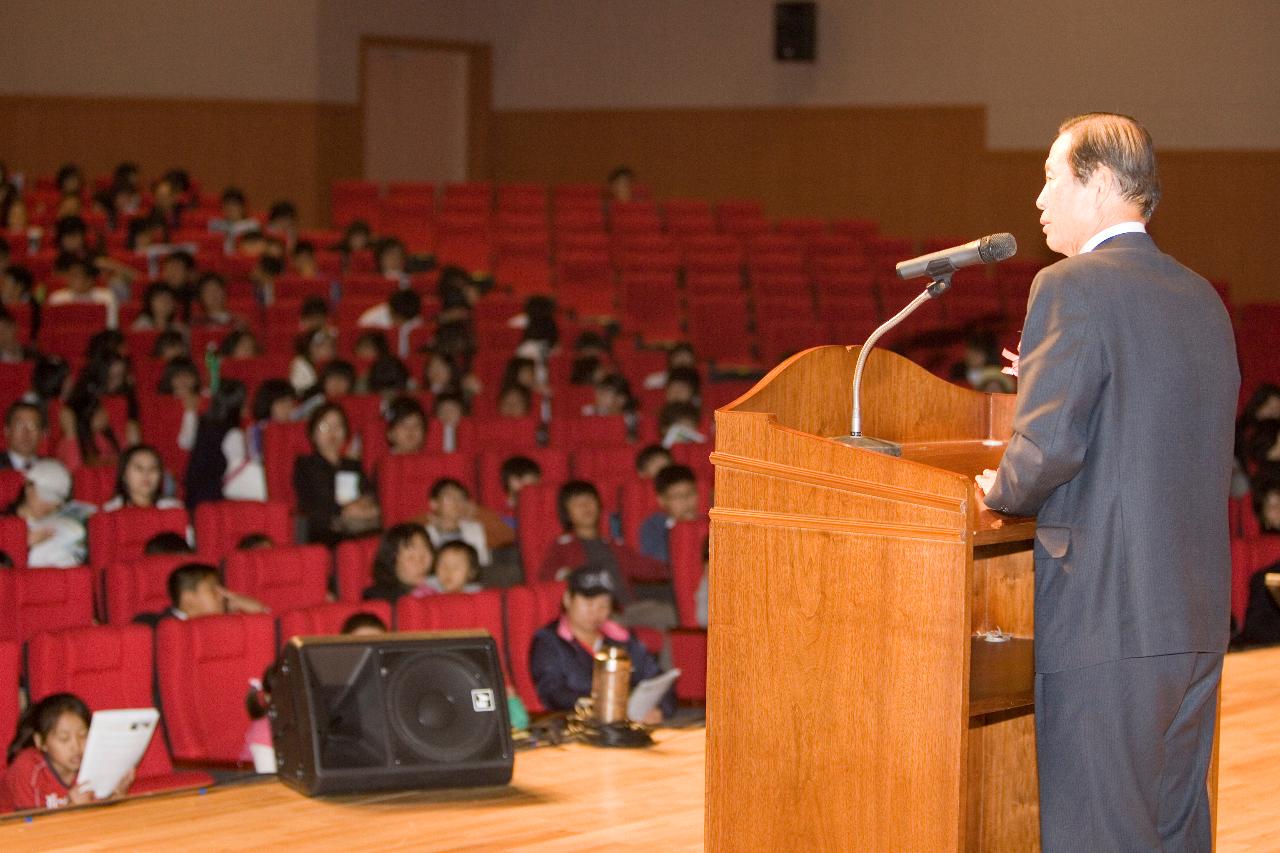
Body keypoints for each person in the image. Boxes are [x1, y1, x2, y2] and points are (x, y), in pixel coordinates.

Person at [973, 113, 1238, 852]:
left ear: (1096, 181)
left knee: (1099, 834)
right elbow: (1155, 421)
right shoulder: (1201, 299)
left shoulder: (1071, 286)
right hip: (1191, 619)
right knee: (1174, 828)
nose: (1039, 198)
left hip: (1109, 618)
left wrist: (998, 485)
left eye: (1052, 174)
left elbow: (1047, 453)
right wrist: (1052, 378)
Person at [528, 565, 674, 722]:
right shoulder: (548, 641)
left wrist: (659, 710)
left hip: (627, 726)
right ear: (568, 600)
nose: (596, 612)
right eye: (589, 603)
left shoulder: (620, 638)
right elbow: (552, 693)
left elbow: (658, 679)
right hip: (578, 726)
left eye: (604, 605)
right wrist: (605, 705)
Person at [1, 693, 135, 812]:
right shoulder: (27, 769)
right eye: (64, 739)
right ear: (41, 742)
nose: (76, 747)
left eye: (83, 735)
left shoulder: (94, 764)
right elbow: (30, 830)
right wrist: (71, 808)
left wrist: (116, 797)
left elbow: (99, 819)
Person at [293, 403, 380, 546]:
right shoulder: (306, 464)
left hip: (360, 524)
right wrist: (347, 511)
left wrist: (362, 509)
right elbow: (323, 500)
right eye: (325, 427)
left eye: (338, 426)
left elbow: (369, 494)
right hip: (324, 530)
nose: (332, 432)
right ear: (313, 434)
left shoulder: (352, 465)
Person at [185, 379, 265, 508]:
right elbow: (236, 471)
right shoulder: (233, 433)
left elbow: (186, 443)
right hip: (215, 498)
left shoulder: (204, 423)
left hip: (194, 494)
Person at [8, 459, 88, 568]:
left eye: (56, 501)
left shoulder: (61, 523)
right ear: (28, 487)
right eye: (45, 496)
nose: (50, 504)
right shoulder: (5, 522)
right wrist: (23, 544)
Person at [133, 562, 266, 626]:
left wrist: (251, 606)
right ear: (189, 599)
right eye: (213, 590)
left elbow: (263, 625)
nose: (222, 596)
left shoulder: (224, 622)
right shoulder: (154, 626)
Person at [418, 478, 491, 567]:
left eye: (461, 498)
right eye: (449, 498)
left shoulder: (474, 529)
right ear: (434, 503)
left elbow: (483, 561)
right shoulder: (423, 534)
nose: (456, 503)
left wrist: (477, 512)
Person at [638, 464, 700, 563]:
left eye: (691, 493)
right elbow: (655, 560)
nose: (686, 501)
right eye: (677, 496)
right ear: (662, 501)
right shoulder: (653, 526)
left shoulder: (706, 524)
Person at [362, 523, 435, 604]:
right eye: (411, 557)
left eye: (424, 557)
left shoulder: (439, 587)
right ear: (392, 560)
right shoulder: (378, 599)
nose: (421, 564)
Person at [102, 445, 183, 511]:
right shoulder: (110, 512)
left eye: (153, 468)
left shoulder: (174, 509)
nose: (146, 474)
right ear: (124, 475)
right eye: (139, 468)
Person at [46, 254, 118, 329]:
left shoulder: (106, 297)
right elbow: (52, 330)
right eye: (70, 275)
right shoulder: (57, 298)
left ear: (89, 279)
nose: (70, 279)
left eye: (76, 275)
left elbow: (111, 327)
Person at [1, 401, 46, 472]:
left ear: (42, 433)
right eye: (19, 426)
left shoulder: (50, 469)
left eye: (32, 426)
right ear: (7, 431)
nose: (26, 433)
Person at [498, 455, 541, 528]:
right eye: (519, 480)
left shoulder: (540, 508)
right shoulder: (499, 509)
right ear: (507, 480)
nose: (524, 486)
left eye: (532, 482)